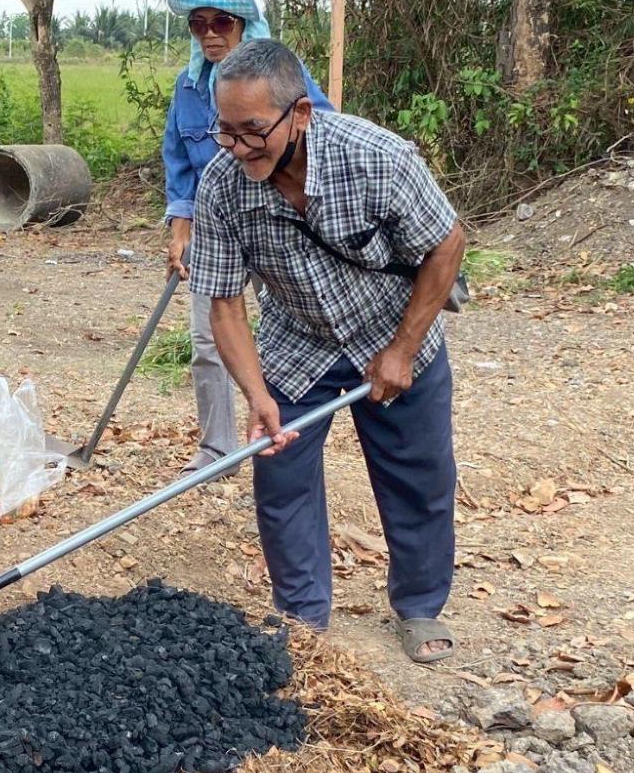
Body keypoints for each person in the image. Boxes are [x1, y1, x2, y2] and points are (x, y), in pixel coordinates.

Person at [188, 39, 466, 664]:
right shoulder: (222, 186)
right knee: (281, 478)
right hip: (298, 340)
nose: (236, 148)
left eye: (252, 130)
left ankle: (420, 607)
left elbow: (447, 244)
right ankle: (303, 621)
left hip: (394, 331)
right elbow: (226, 304)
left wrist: (403, 347)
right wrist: (257, 397)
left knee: (418, 475)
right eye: (224, 131)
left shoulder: (378, 158)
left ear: (301, 115)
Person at [160, 0, 331, 473]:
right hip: (218, 227)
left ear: (244, 22)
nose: (210, 34)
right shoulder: (188, 89)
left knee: (284, 334)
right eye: (198, 24)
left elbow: (323, 134)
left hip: (278, 224)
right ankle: (217, 450)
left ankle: (280, 435)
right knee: (207, 340)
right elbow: (178, 161)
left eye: (222, 22)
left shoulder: (282, 77)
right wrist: (180, 228)